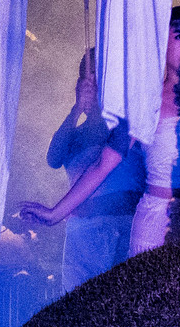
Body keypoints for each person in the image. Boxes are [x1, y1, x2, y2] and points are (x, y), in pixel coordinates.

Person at [19, 7, 180, 257]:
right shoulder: (144, 102)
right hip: (157, 224)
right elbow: (102, 165)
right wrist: (54, 213)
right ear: (162, 42)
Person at [43, 52, 146, 292]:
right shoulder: (74, 134)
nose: (94, 87)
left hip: (125, 228)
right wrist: (76, 109)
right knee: (80, 308)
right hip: (82, 236)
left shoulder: (128, 128)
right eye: (88, 82)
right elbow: (53, 159)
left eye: (99, 80)